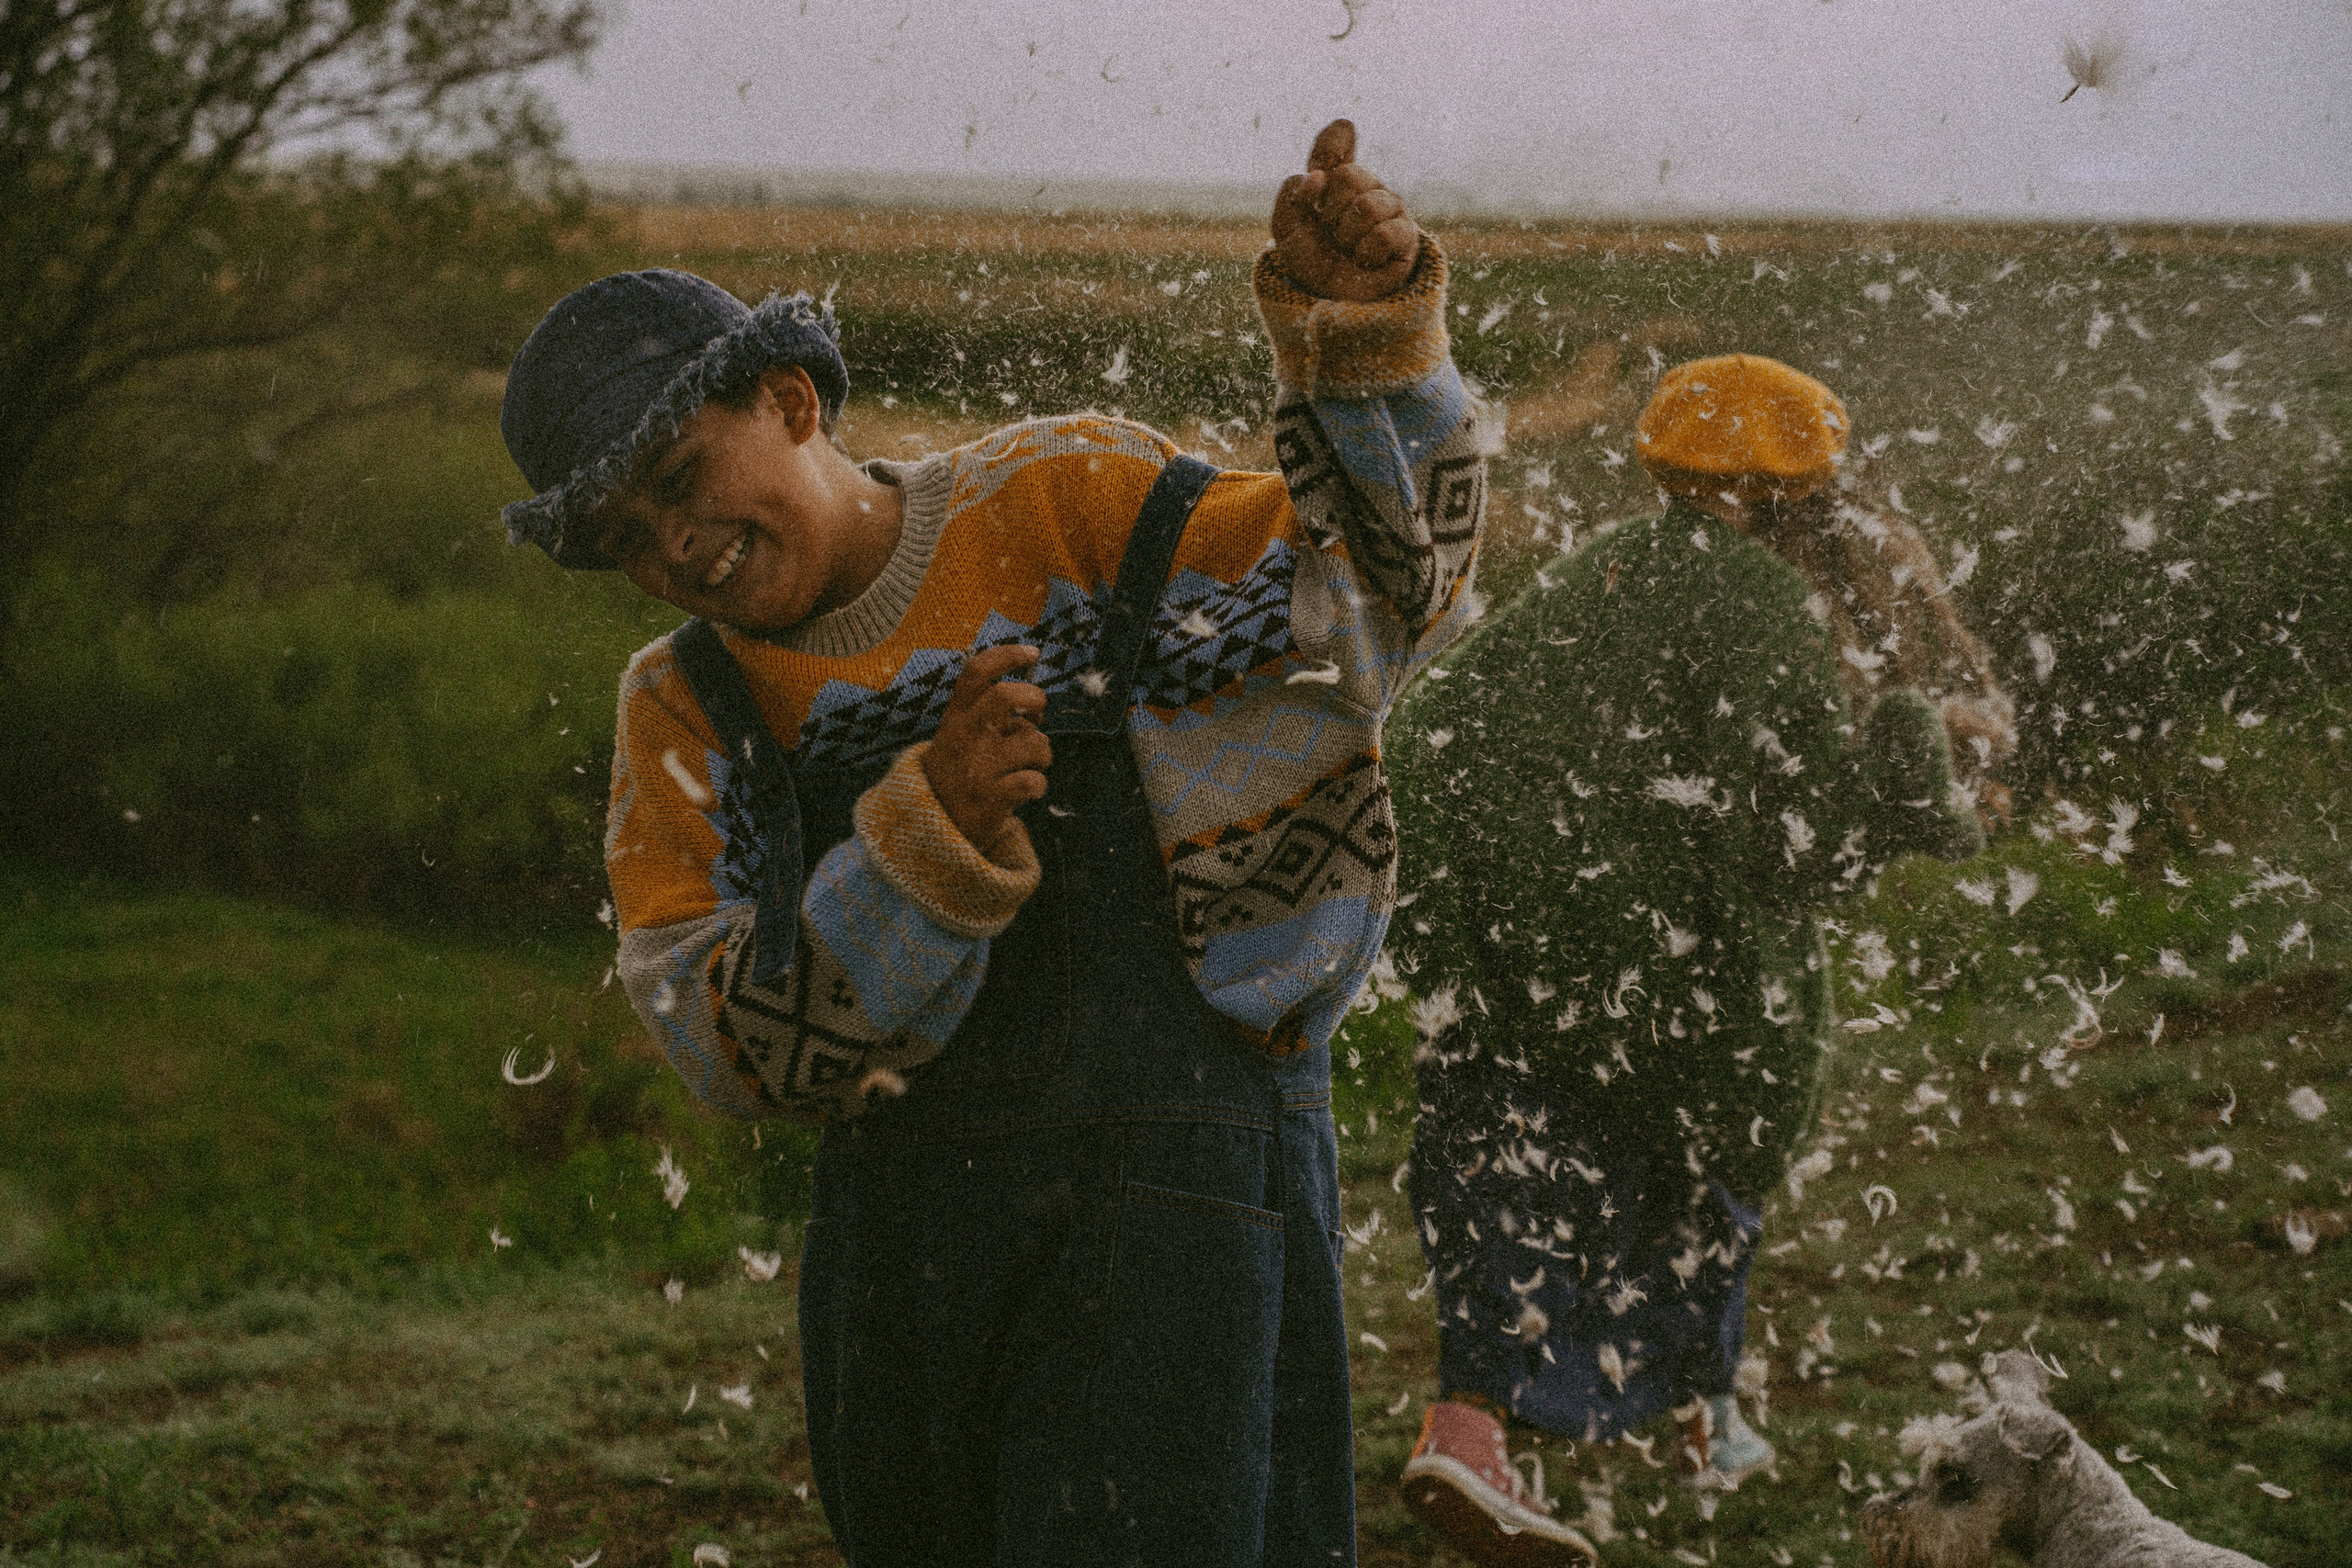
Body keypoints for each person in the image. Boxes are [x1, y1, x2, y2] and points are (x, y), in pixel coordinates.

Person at [495, 119, 1492, 1566]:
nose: (674, 544)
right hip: (901, 1266)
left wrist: (1366, 346)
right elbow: (716, 1039)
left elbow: (1366, 606)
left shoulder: (1063, 505)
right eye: (620, 533)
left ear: (788, 399)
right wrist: (931, 840)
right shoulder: (682, 712)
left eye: (679, 472)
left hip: (1187, 1216)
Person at [1384, 355, 2006, 1565]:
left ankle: (1475, 1436)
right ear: (1800, 494)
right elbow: (1803, 839)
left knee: (1520, 1186)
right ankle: (1690, 1414)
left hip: (1537, 963)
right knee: (1702, 1171)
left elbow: (1432, 731)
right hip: (1682, 985)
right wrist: (1918, 754)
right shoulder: (1757, 602)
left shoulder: (1591, 573)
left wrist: (1462, 936)